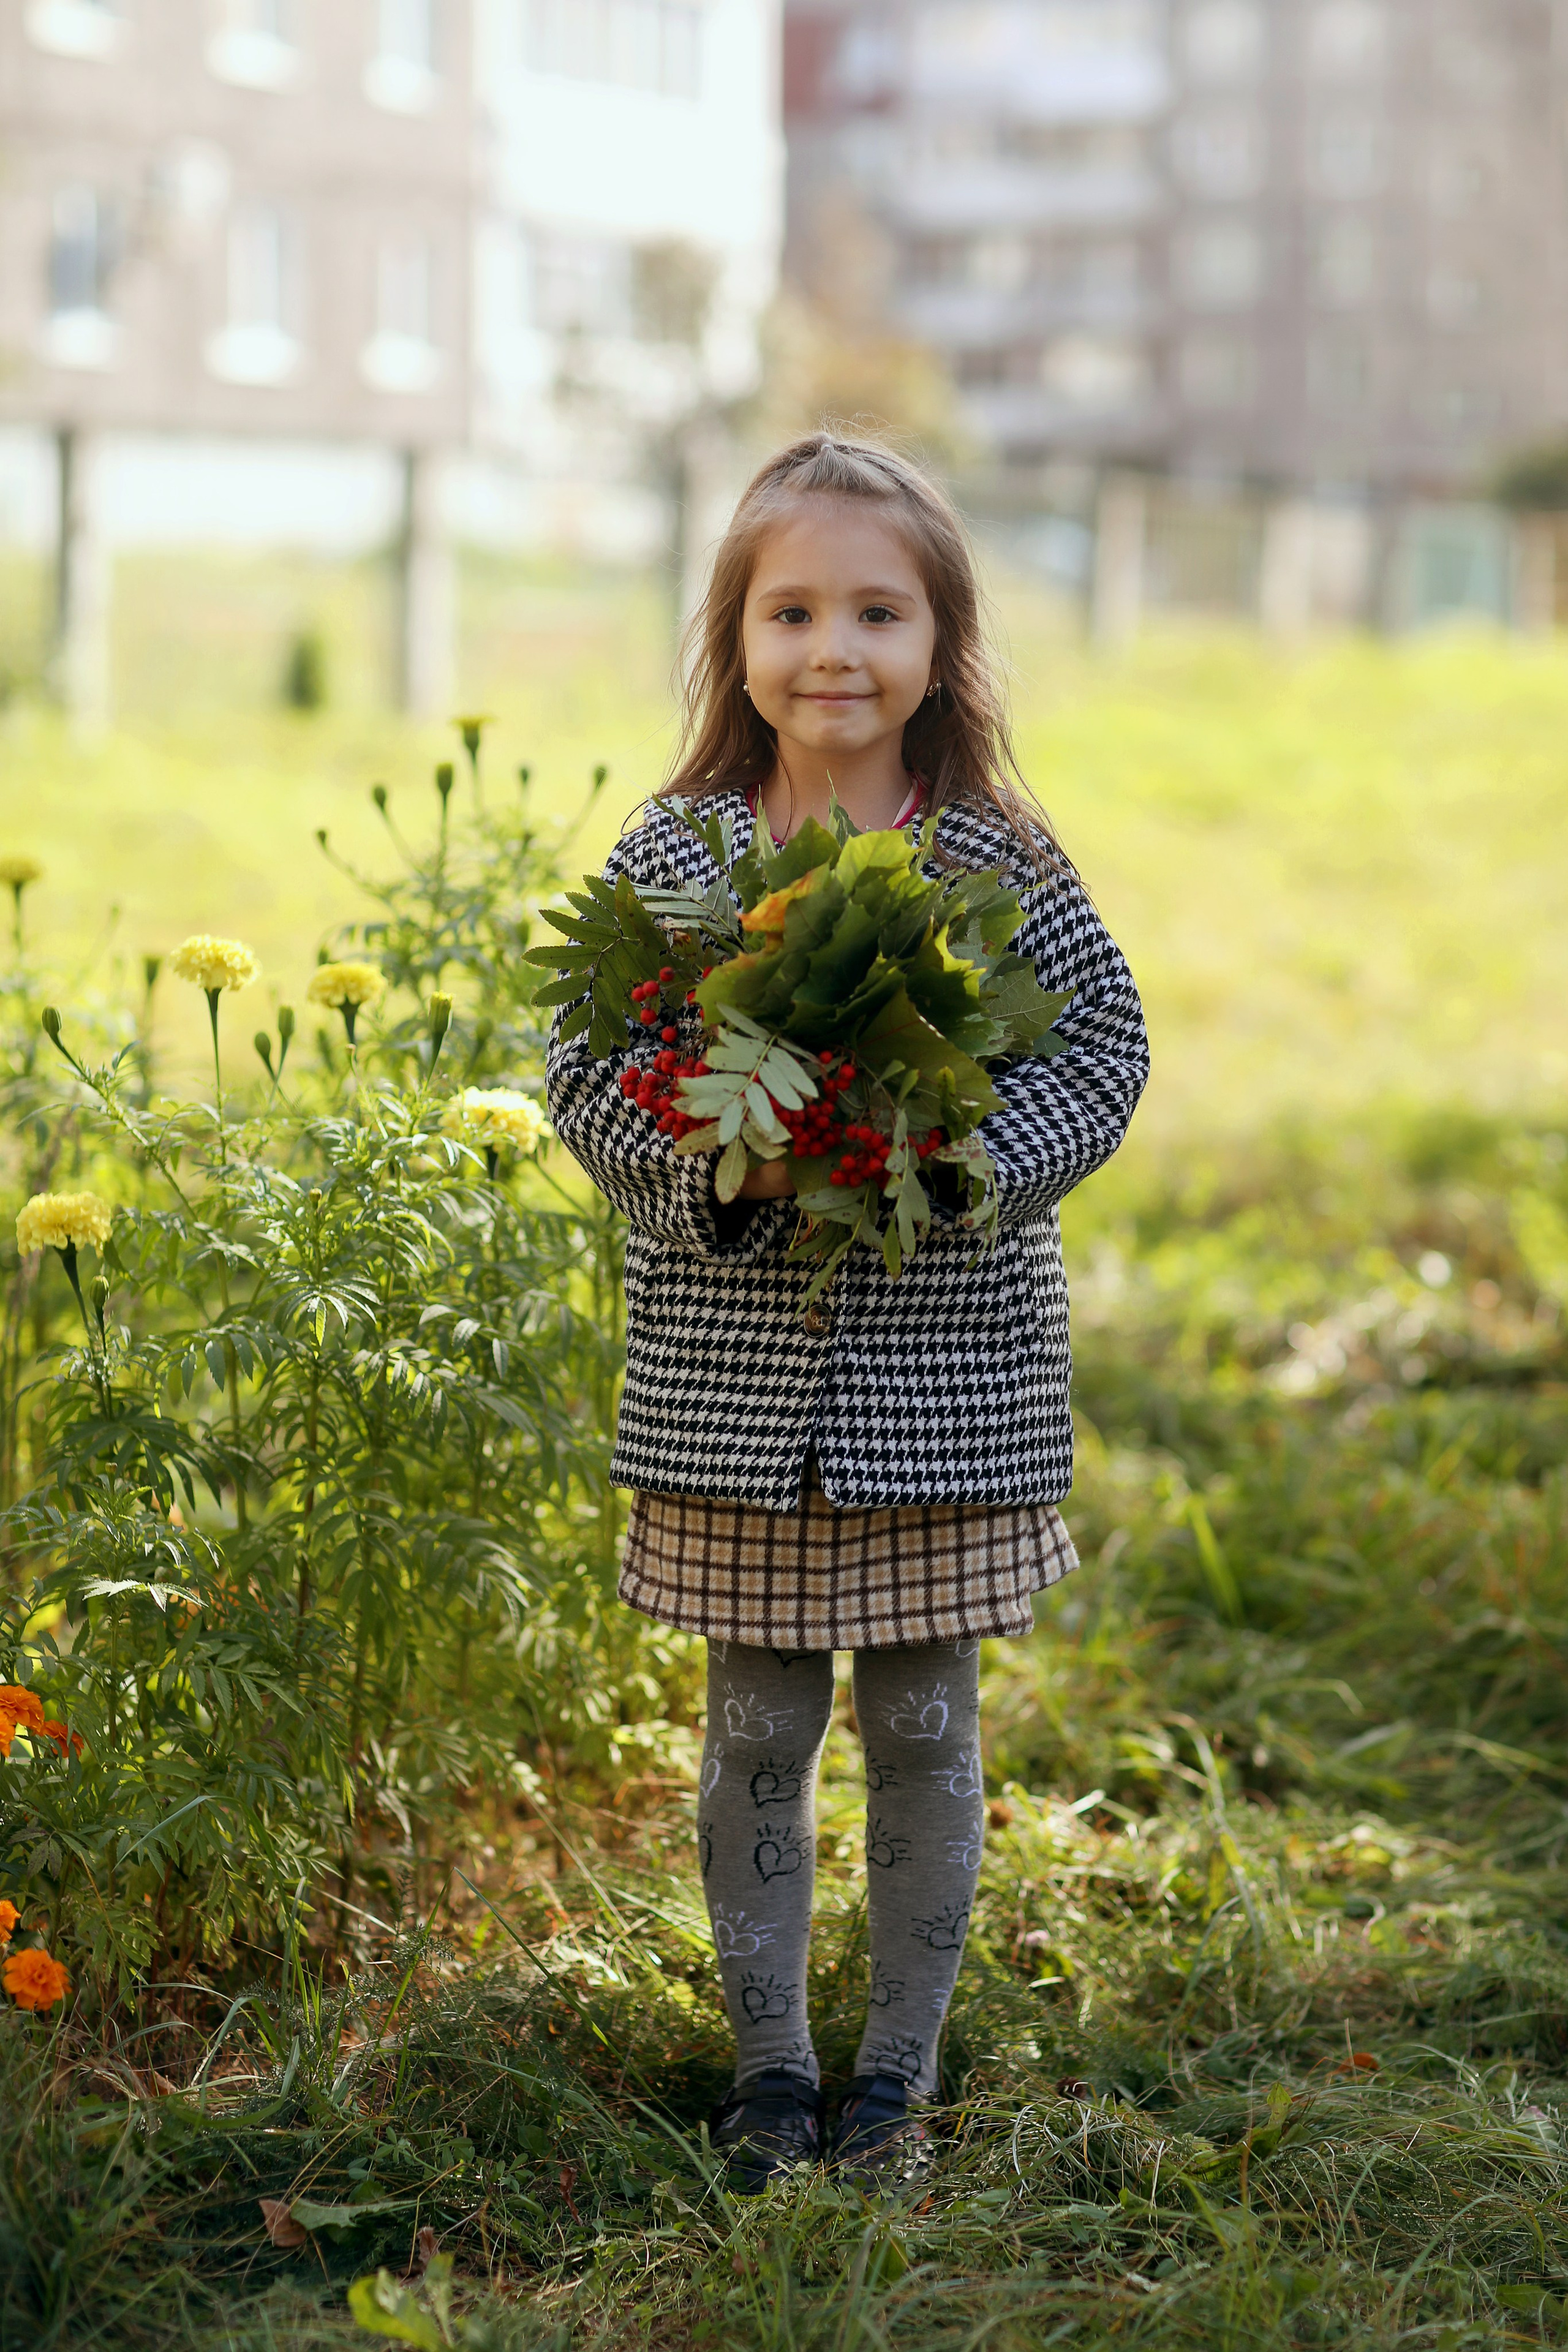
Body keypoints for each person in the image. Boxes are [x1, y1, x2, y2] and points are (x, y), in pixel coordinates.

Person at [546, 433, 1148, 2190]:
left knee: (923, 1721)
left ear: (941, 644)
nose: (836, 650)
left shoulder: (999, 858)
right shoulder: (676, 856)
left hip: (947, 1386)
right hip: (732, 1392)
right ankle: (768, 2074)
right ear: (733, 639)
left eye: (878, 611)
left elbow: (1102, 1053)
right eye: (792, 608)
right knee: (753, 1724)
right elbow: (586, 1067)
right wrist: (711, 1172)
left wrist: (957, 1166)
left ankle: (895, 2074)